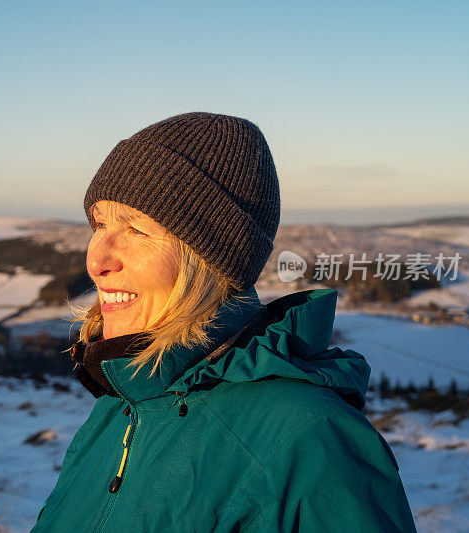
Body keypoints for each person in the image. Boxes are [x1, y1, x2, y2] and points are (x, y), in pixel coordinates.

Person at [31, 112, 416, 532]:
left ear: (211, 259)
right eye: (100, 223)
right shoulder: (117, 410)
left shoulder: (311, 439)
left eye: (136, 229)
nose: (95, 260)